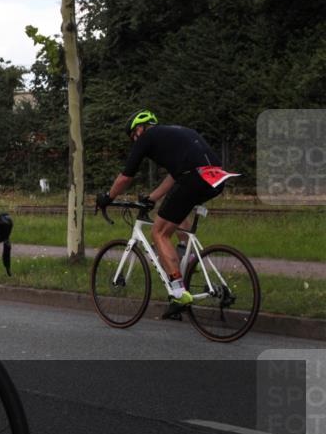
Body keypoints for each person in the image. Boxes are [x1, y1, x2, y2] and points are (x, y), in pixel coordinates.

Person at [97, 109, 237, 318]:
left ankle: (179, 291)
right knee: (178, 215)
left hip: (193, 177)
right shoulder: (174, 134)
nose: (135, 140)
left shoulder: (147, 138)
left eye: (133, 135)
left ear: (140, 129)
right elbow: (174, 177)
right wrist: (152, 198)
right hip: (215, 178)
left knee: (159, 232)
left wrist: (108, 196)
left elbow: (126, 177)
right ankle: (186, 257)